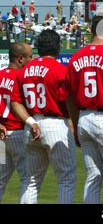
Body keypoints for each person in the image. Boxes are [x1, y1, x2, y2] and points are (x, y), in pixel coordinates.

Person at [65, 12, 103, 204]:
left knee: (93, 178)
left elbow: (70, 99)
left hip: (83, 119)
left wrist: (75, 127)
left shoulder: (76, 58)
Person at [11, 29, 77, 204]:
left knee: (30, 181)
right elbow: (69, 100)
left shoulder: (23, 71)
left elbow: (15, 103)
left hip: (31, 126)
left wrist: (30, 122)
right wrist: (75, 122)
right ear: (57, 47)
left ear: (38, 48)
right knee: (66, 179)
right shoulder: (60, 70)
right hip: (55, 124)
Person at [0, 43, 33, 203]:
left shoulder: (0, 75)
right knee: (28, 179)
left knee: (0, 180)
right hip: (18, 133)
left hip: (1, 136)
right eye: (29, 56)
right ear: (20, 59)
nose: (31, 60)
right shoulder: (20, 77)